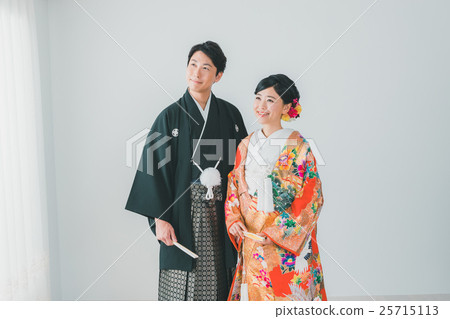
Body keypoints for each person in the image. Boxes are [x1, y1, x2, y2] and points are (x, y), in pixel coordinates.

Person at [125, 41, 248, 300]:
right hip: (183, 212)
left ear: (218, 75)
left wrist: (242, 214)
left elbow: (242, 169)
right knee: (182, 282)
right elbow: (152, 168)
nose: (197, 73)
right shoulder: (170, 117)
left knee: (219, 279)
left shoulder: (230, 115)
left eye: (206, 68)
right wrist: (160, 218)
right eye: (193, 65)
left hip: (220, 211)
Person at [225, 74, 327, 301]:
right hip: (253, 239)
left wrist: (278, 233)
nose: (261, 106)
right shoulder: (246, 143)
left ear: (287, 106)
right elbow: (234, 186)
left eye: (270, 100)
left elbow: (312, 196)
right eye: (258, 98)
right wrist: (234, 220)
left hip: (285, 245)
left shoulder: (298, 145)